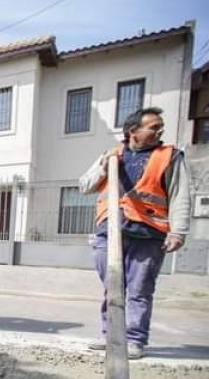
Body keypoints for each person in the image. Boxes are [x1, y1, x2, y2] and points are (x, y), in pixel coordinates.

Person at [79, 107, 191, 360]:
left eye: (160, 126)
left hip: (148, 232)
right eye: (153, 126)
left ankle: (134, 339)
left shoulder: (169, 156)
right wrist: (105, 167)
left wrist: (178, 231)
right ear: (133, 131)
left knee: (140, 289)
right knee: (112, 287)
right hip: (109, 231)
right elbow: (84, 185)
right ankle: (111, 336)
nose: (160, 130)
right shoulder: (112, 154)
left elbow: (180, 195)